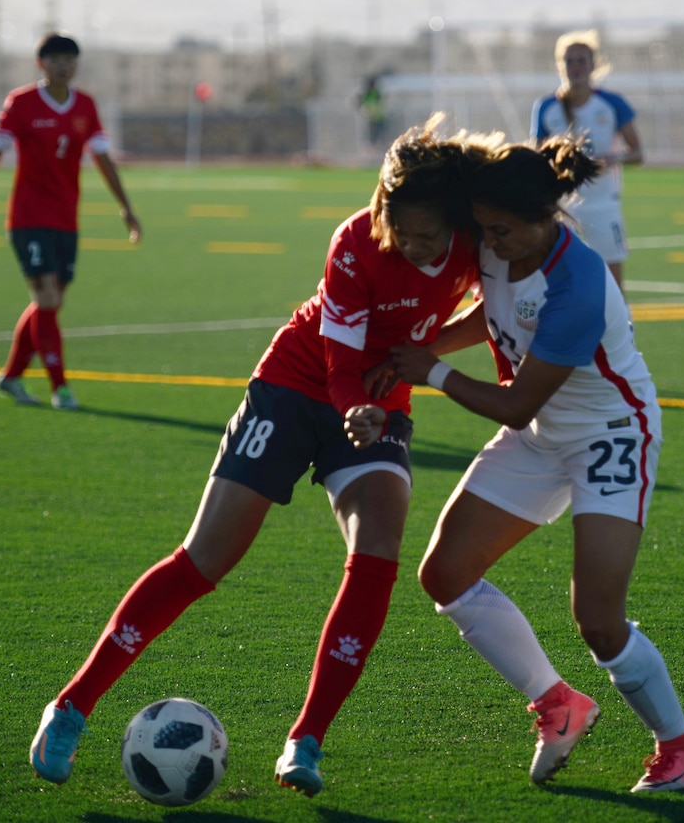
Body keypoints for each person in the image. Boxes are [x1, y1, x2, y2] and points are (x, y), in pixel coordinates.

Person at [26, 121, 479, 798]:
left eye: (428, 238)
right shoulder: (357, 241)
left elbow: (497, 315)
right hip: (299, 386)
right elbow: (338, 359)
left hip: (380, 399)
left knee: (379, 547)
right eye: (402, 232)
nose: (413, 247)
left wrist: (425, 354)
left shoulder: (477, 243)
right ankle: (70, 707)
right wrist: (360, 401)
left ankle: (307, 739)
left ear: (455, 222)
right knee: (205, 559)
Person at [385, 131, 684, 794]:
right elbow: (496, 312)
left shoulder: (578, 283)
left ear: (545, 219)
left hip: (609, 435)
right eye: (483, 230)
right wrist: (423, 343)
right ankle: (557, 703)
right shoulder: (499, 236)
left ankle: (680, 746)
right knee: (445, 573)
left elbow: (515, 401)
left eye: (502, 232)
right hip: (541, 435)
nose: (490, 244)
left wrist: (431, 369)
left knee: (597, 618)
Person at [0, 33, 140, 410]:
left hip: (66, 217)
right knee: (47, 298)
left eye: (69, 59)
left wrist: (126, 207)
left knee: (51, 302)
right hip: (28, 217)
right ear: (41, 64)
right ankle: (60, 388)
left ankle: (12, 376)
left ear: (76, 64)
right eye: (55, 59)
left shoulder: (86, 106)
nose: (63, 66)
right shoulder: (21, 103)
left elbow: (103, 159)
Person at [530, 31, 643, 294]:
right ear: (560, 65)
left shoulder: (611, 103)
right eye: (569, 61)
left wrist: (614, 158)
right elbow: (536, 159)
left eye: (581, 60)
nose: (575, 66)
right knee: (558, 285)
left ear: (594, 65)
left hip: (604, 206)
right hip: (562, 209)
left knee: (613, 288)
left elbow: (638, 153)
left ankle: (620, 335)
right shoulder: (546, 107)